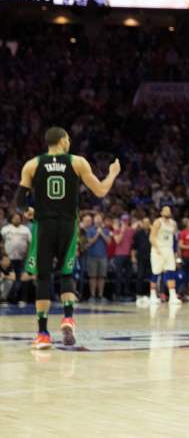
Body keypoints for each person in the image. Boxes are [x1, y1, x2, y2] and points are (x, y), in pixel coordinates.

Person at [17, 126, 120, 349]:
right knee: (66, 273)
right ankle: (67, 317)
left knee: (43, 278)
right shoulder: (77, 162)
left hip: (44, 226)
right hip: (68, 226)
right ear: (63, 141)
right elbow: (101, 191)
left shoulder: (32, 164)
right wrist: (112, 174)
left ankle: (43, 334)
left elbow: (19, 200)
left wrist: (28, 211)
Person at [150, 206, 180, 304]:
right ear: (161, 212)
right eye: (165, 210)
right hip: (158, 249)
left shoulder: (173, 223)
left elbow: (175, 239)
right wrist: (157, 249)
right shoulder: (158, 222)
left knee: (171, 272)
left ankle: (172, 296)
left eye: (169, 210)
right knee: (156, 272)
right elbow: (152, 237)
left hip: (169, 249)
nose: (167, 211)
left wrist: (176, 252)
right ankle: (153, 295)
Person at [85, 213, 111, 302]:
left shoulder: (106, 230)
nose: (98, 220)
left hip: (103, 256)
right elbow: (90, 241)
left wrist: (102, 233)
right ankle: (92, 295)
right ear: (94, 220)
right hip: (92, 256)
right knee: (92, 277)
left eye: (100, 218)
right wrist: (97, 234)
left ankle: (100, 295)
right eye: (96, 218)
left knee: (102, 277)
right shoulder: (90, 230)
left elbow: (109, 242)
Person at [112, 214, 135, 299]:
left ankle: (126, 292)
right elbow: (117, 241)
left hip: (128, 255)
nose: (125, 222)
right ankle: (118, 293)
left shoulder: (131, 230)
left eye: (127, 220)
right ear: (121, 221)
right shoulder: (117, 230)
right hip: (119, 255)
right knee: (119, 275)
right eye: (124, 220)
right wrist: (122, 231)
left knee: (129, 275)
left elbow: (133, 243)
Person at [132, 217, 153, 306]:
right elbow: (134, 247)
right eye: (145, 223)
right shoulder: (138, 234)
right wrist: (133, 257)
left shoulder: (153, 233)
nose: (146, 224)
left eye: (148, 223)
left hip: (151, 258)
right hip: (140, 257)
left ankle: (150, 294)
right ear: (142, 224)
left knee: (151, 277)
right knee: (140, 276)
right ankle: (139, 294)